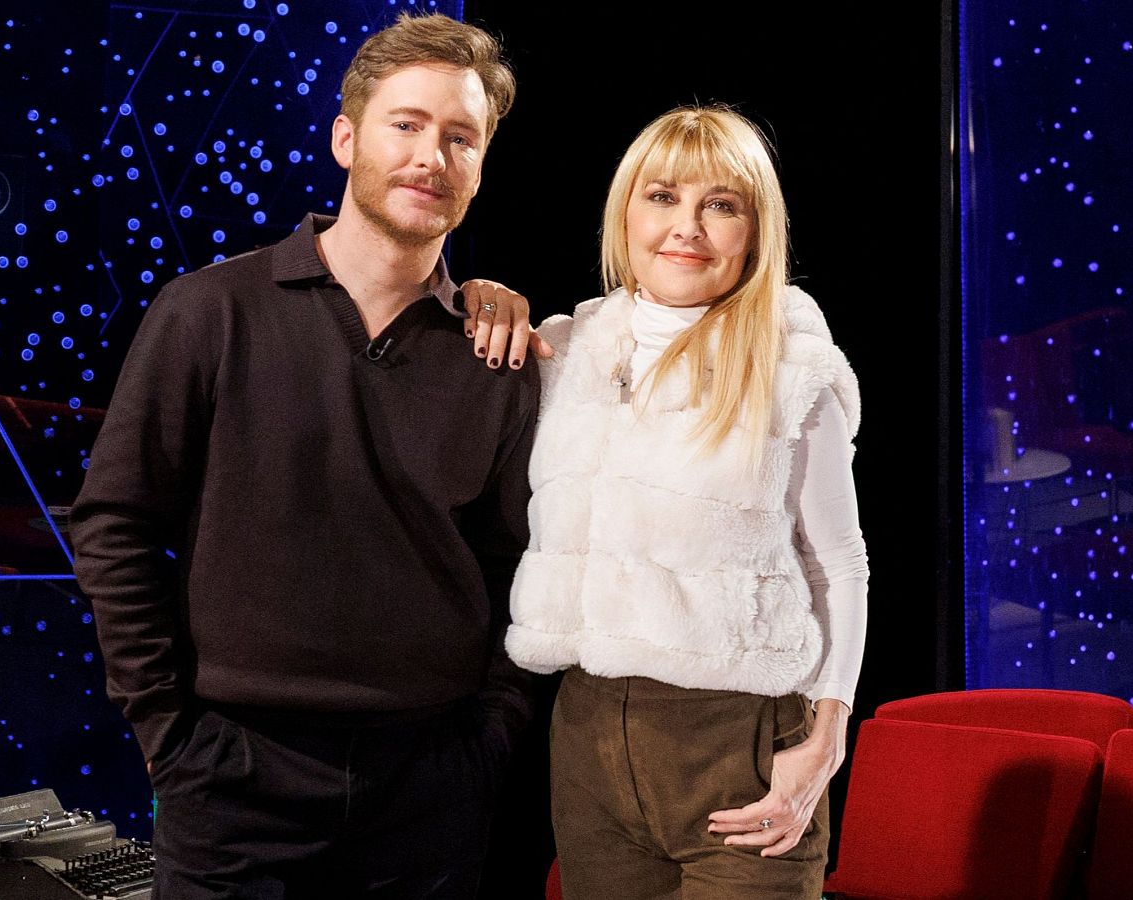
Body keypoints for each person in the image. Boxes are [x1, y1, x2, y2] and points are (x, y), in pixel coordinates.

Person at [71, 13, 543, 897]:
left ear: (480, 164)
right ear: (346, 136)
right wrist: (170, 738)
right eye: (406, 124)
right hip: (234, 779)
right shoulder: (210, 311)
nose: (430, 157)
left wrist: (490, 738)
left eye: (460, 137)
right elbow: (115, 525)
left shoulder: (500, 353)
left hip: (432, 788)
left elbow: (519, 564)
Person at [505, 106, 868, 898]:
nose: (688, 227)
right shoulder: (566, 351)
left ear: (754, 229)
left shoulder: (790, 370)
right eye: (663, 196)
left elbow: (839, 563)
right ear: (626, 211)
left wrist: (828, 739)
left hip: (740, 742)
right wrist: (480, 296)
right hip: (589, 735)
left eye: (721, 204)